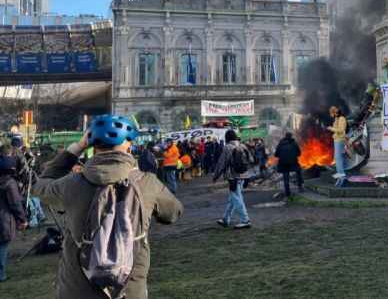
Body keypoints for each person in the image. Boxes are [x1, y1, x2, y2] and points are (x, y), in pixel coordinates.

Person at [32, 115, 183, 298]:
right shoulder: (147, 183)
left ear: (92, 145)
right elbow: (174, 212)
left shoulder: (71, 184)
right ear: (128, 144)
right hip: (128, 290)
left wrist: (75, 149)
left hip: (77, 291)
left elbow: (40, 187)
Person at [213, 129, 252, 229]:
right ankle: (226, 219)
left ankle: (245, 220)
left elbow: (221, 163)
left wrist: (216, 176)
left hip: (233, 177)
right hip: (244, 175)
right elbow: (251, 159)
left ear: (227, 138)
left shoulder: (228, 147)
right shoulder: (243, 146)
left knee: (236, 198)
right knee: (233, 198)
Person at [0, 146, 27, 282]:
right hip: (3, 219)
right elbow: (15, 203)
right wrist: (22, 219)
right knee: (2, 246)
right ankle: (1, 274)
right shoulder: (9, 183)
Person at [274, 132, 304, 198]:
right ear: (291, 136)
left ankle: (287, 193)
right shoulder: (294, 143)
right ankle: (300, 187)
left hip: (283, 163)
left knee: (286, 177)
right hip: (293, 162)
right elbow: (299, 153)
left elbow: (276, 154)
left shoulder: (280, 144)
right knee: (298, 172)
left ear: (285, 136)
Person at [327, 106, 348, 187]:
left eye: (331, 113)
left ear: (334, 112)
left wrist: (331, 128)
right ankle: (340, 177)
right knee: (338, 159)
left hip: (339, 140)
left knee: (338, 159)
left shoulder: (342, 118)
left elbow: (341, 130)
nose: (331, 115)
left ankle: (342, 177)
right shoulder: (337, 119)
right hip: (337, 139)